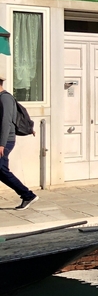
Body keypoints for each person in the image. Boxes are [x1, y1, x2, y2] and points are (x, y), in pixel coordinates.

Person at [0, 78, 38, 211]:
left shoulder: (5, 99)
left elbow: (6, 122)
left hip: (5, 141)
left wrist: (2, 144)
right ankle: (27, 195)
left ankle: (27, 195)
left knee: (1, 169)